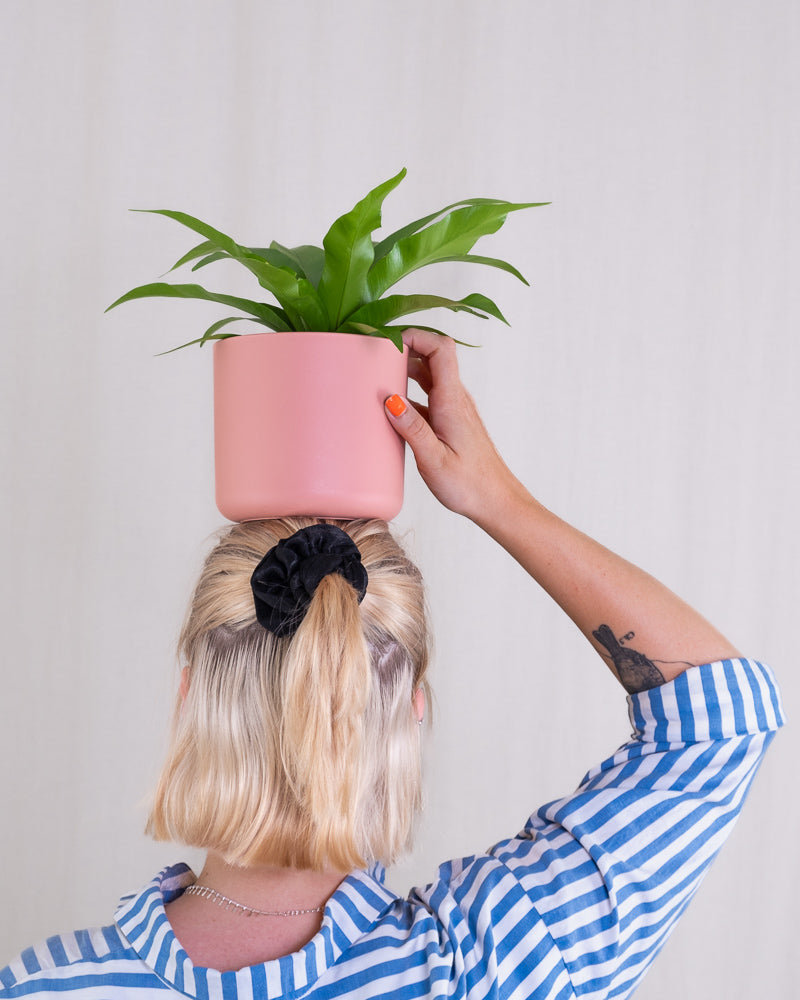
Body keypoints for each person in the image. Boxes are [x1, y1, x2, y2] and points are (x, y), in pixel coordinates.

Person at [0, 329, 784, 999]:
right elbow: (720, 718)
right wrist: (495, 497)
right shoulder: (495, 960)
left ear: (188, 700)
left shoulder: (42, 985)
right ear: (411, 707)